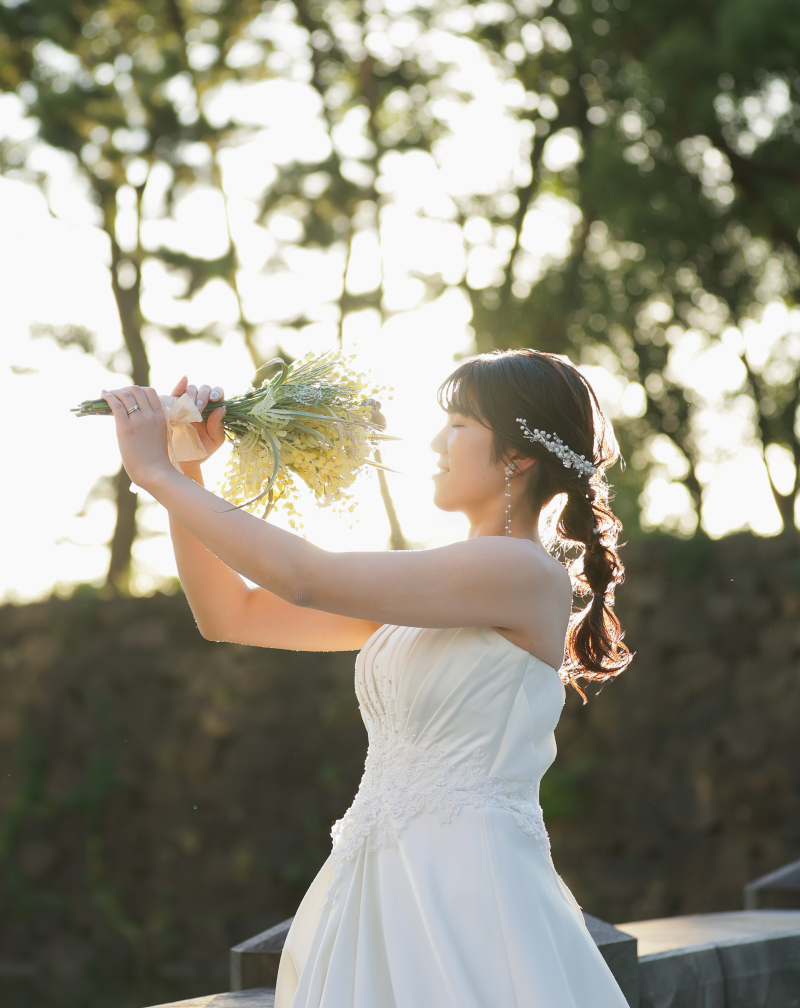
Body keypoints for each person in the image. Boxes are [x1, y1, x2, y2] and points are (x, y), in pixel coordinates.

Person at [101, 347, 632, 1008]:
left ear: (517, 457)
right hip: (377, 884)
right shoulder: (438, 586)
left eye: (460, 424)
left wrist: (153, 473)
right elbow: (228, 614)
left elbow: (304, 576)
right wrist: (186, 468)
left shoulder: (521, 572)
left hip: (466, 892)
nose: (438, 442)